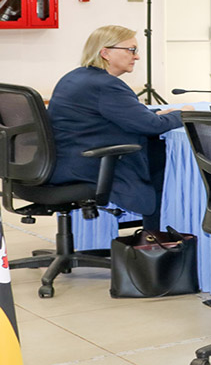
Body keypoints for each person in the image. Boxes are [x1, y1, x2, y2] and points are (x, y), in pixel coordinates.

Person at [46, 25, 192, 231]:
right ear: (105, 53)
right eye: (131, 50)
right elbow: (152, 126)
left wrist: (151, 114)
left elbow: (119, 115)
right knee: (162, 161)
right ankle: (155, 241)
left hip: (63, 163)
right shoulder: (106, 85)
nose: (137, 57)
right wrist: (183, 113)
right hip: (87, 167)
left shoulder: (76, 77)